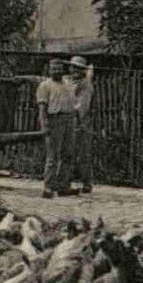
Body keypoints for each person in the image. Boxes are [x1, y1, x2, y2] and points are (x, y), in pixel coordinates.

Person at [37, 58, 78, 199]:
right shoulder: (45, 86)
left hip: (69, 119)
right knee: (52, 156)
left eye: (59, 68)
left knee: (68, 154)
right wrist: (45, 125)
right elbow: (42, 108)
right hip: (54, 120)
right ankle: (48, 187)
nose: (57, 71)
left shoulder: (68, 84)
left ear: (63, 70)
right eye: (54, 68)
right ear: (49, 70)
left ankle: (63, 186)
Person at [67, 55, 95, 194]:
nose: (75, 70)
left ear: (83, 70)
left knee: (83, 154)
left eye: (78, 68)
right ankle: (66, 182)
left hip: (80, 122)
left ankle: (87, 183)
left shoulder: (85, 84)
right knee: (67, 153)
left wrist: (77, 119)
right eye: (73, 67)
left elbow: (83, 105)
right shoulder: (68, 81)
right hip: (67, 120)